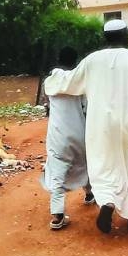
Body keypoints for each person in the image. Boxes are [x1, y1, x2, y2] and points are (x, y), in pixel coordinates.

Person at [44, 19, 128, 234]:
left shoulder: (92, 60)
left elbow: (70, 82)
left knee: (104, 165)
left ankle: (108, 201)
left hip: (99, 125)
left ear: (105, 38)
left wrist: (53, 78)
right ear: (125, 36)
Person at [41, 46, 93, 230]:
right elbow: (87, 108)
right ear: (75, 61)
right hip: (79, 132)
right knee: (85, 163)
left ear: (58, 59)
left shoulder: (49, 82)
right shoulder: (80, 82)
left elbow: (47, 105)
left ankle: (58, 215)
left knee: (57, 172)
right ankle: (90, 194)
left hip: (57, 134)